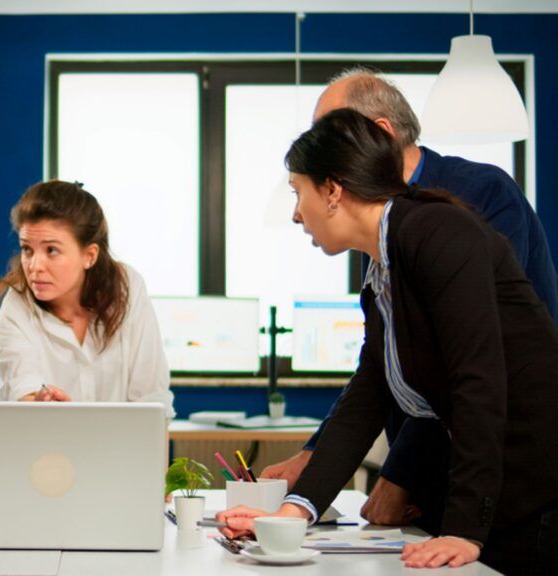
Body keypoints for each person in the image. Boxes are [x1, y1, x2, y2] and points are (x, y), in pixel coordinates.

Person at [219, 108, 558, 573]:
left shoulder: (438, 233)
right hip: (490, 483)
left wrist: (463, 529)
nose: (297, 214)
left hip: (533, 485)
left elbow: (477, 381)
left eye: (298, 192)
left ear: (333, 190)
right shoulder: (383, 262)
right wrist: (291, 514)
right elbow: (369, 394)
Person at [0, 180, 173, 416]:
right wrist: (42, 405)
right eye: (27, 249)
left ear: (89, 256)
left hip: (122, 450)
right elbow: (22, 389)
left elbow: (152, 401)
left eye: (51, 250)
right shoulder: (16, 308)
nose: (34, 266)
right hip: (47, 449)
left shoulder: (128, 289)